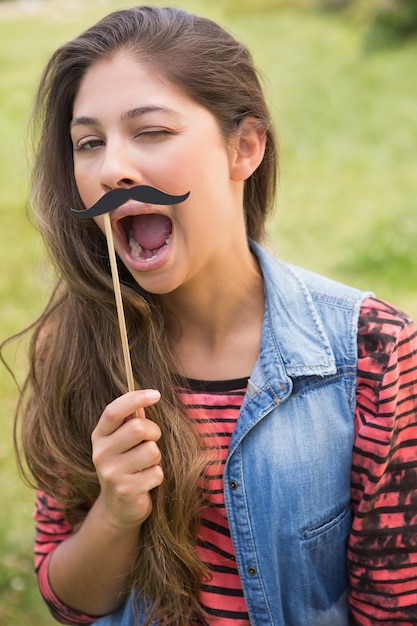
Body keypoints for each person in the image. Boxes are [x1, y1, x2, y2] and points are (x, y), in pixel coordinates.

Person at [10, 5, 417, 625]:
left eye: (150, 131)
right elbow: (67, 600)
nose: (110, 168)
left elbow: (394, 606)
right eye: (88, 143)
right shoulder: (73, 344)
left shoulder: (375, 353)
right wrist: (116, 511)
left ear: (245, 147)